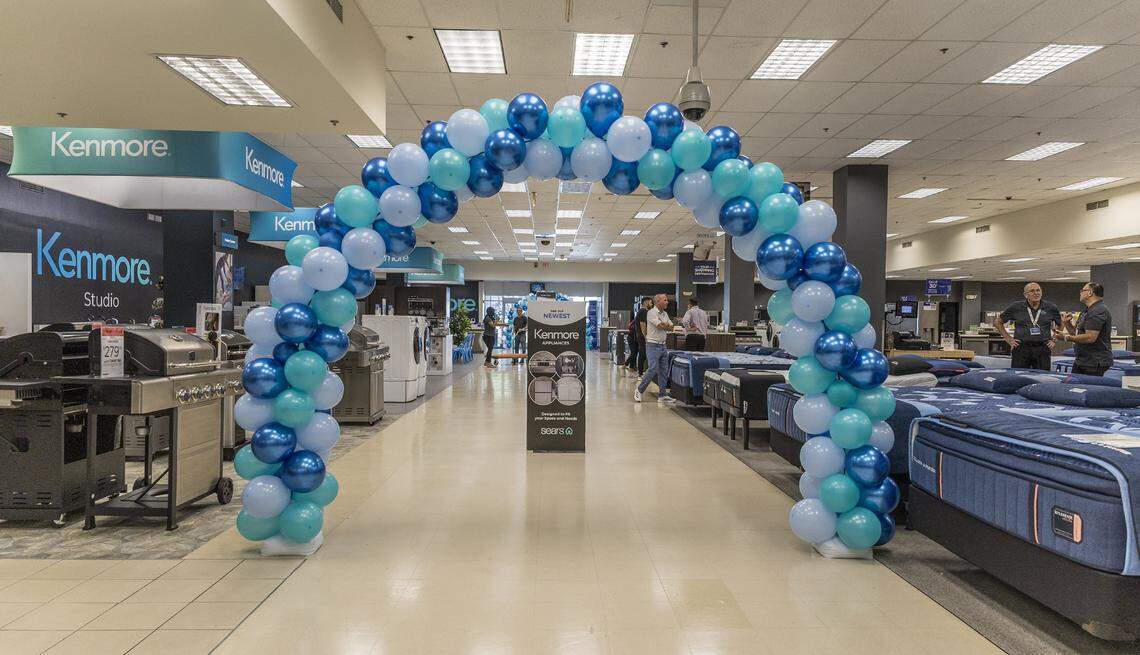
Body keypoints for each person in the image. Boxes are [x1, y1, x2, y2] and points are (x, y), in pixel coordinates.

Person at [994, 282, 1060, 371]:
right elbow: (997, 322)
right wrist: (1008, 338)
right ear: (1025, 295)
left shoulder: (1051, 307)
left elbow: (1061, 323)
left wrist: (1054, 339)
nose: (1036, 293)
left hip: (1042, 348)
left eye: (1038, 290)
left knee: (1043, 377)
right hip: (1021, 348)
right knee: (1018, 376)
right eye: (1032, 291)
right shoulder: (1016, 307)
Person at [1054, 281, 1113, 376]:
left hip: (1094, 362)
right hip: (1083, 360)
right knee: (1074, 387)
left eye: (1082, 290)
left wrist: (1066, 337)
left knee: (1086, 389)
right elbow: (1079, 334)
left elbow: (1090, 337)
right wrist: (1067, 324)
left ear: (1090, 292)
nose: (1080, 292)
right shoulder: (1087, 310)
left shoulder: (1098, 310)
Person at [635, 294, 675, 403]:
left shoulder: (665, 314)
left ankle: (662, 395)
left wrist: (665, 325)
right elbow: (659, 326)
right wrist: (665, 325)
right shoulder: (651, 313)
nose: (667, 302)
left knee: (664, 370)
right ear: (657, 301)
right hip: (653, 345)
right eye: (665, 300)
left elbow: (671, 327)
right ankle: (639, 390)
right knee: (652, 369)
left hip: (663, 345)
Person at [636, 297, 652, 378]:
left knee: (643, 353)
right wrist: (646, 336)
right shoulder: (643, 311)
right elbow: (643, 324)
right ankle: (640, 373)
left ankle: (641, 371)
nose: (651, 304)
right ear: (646, 302)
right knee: (642, 353)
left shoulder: (643, 311)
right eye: (650, 302)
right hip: (642, 336)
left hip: (640, 335)